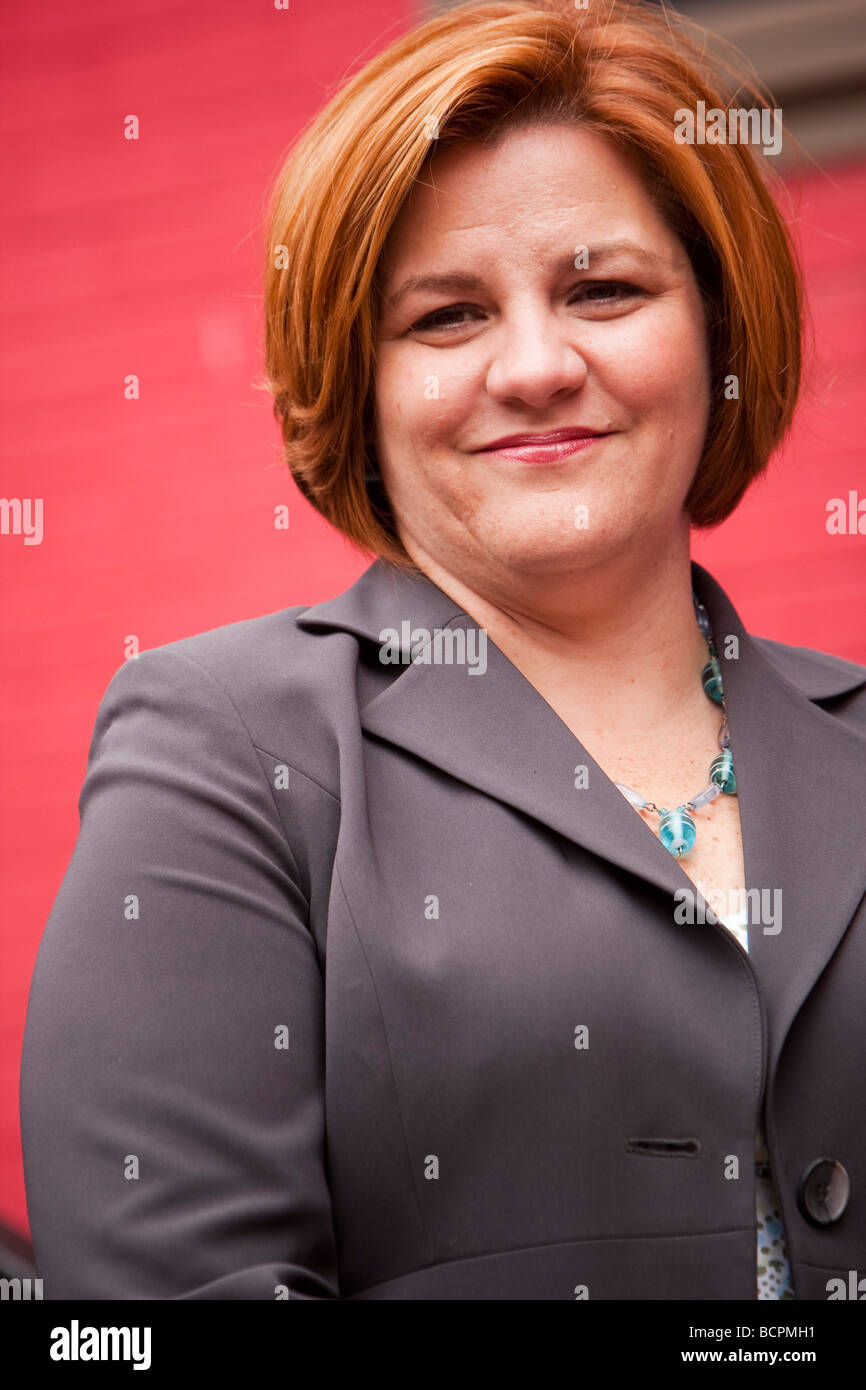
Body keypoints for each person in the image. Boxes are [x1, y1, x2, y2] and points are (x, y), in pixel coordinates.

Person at [20, 0, 866, 1300]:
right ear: (356, 383)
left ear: (717, 332)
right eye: (447, 317)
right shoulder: (228, 747)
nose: (534, 365)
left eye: (602, 289)